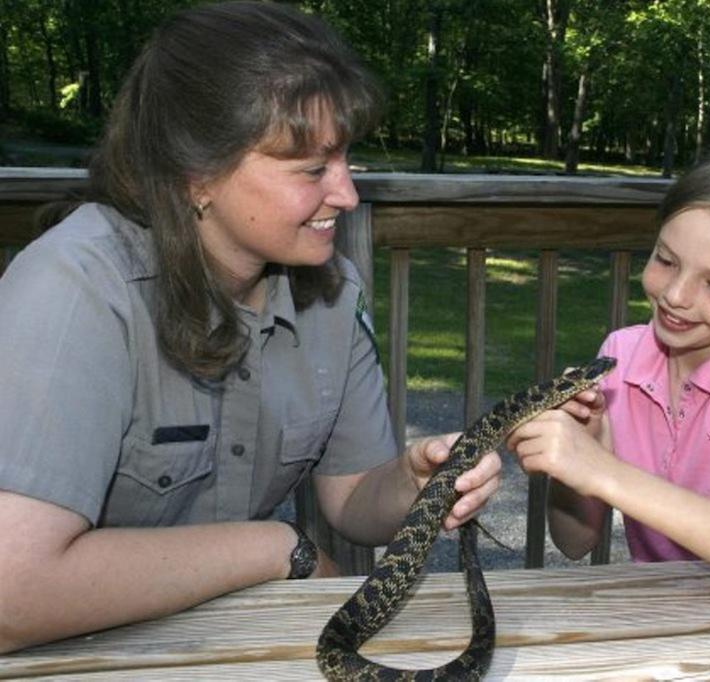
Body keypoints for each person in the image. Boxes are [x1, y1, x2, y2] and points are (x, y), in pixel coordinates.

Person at [0, 1, 500, 653]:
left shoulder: (331, 292)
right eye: (313, 169)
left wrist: (413, 481)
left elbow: (352, 499)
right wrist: (276, 548)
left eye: (346, 158)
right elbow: (12, 594)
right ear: (196, 176)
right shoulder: (73, 290)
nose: (348, 195)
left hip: (237, 646)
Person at [509, 141, 710, 600]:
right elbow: (573, 541)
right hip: (661, 612)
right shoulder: (620, 356)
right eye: (665, 260)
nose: (677, 295)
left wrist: (605, 472)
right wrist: (585, 448)